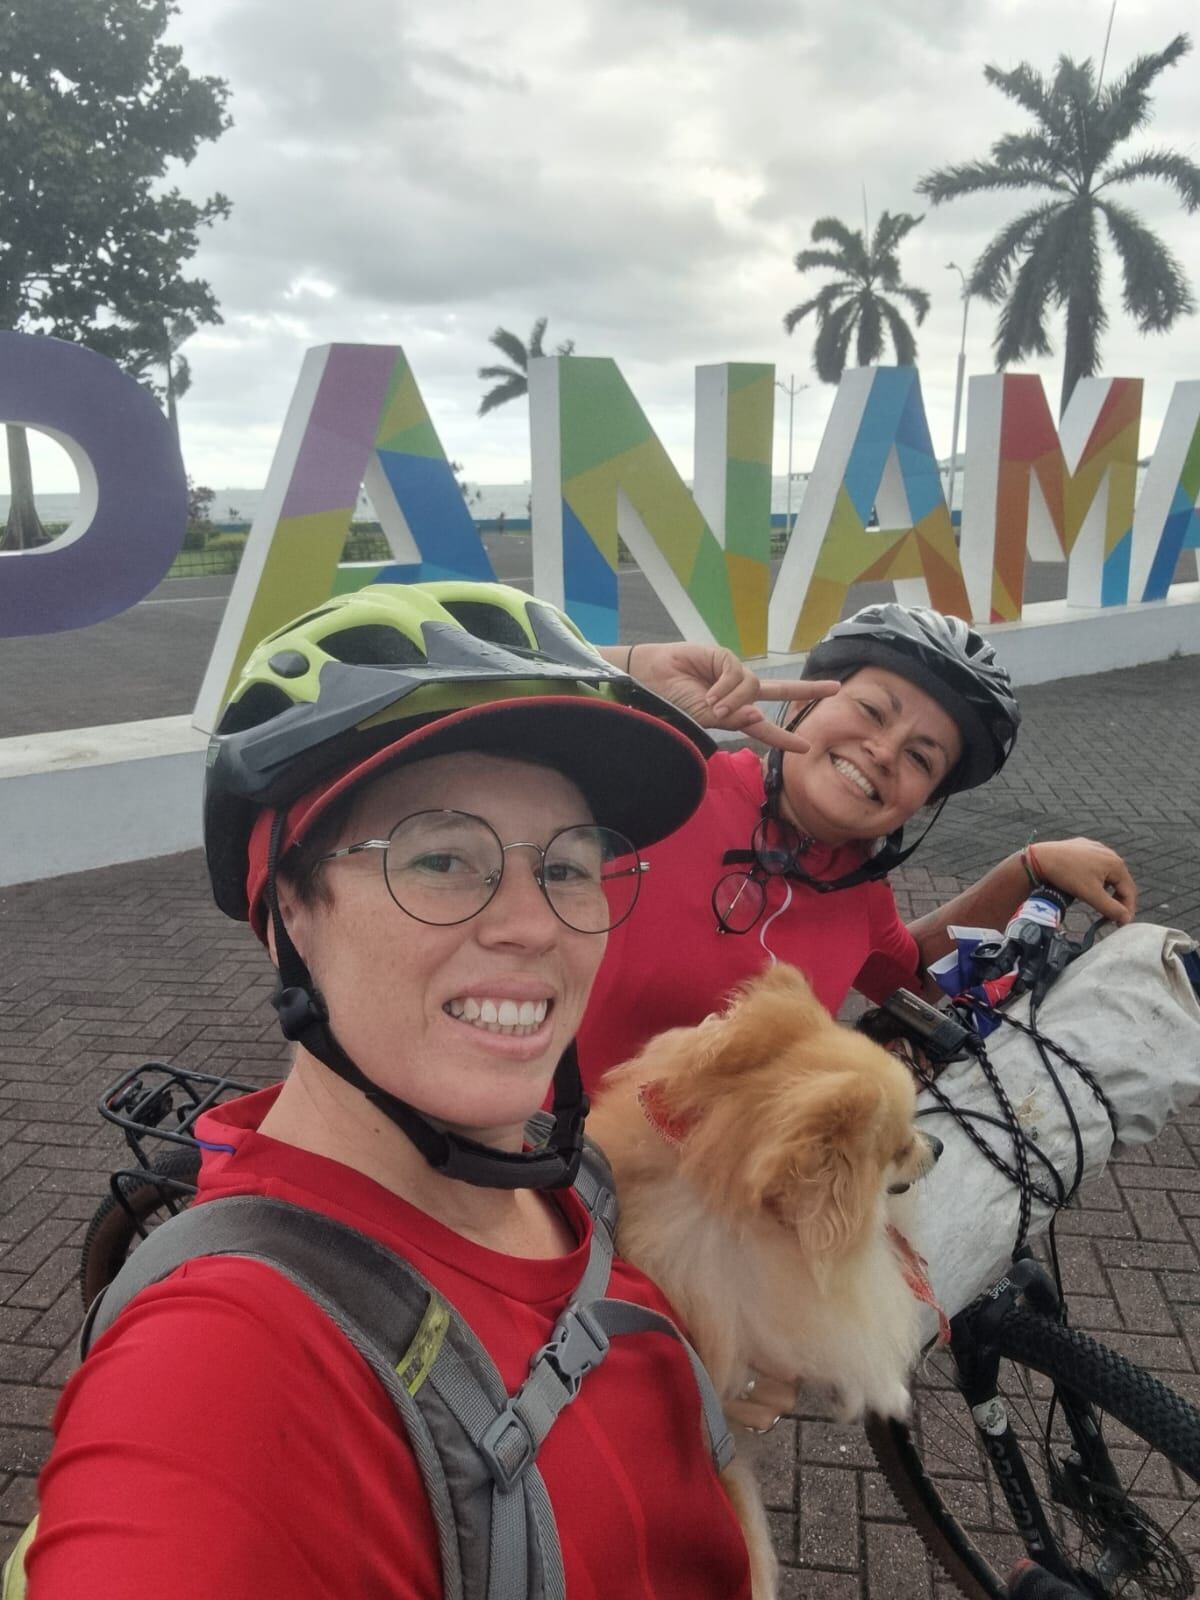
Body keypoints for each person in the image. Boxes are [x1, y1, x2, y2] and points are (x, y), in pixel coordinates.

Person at [24, 582, 767, 1600]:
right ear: (289, 901)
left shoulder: (567, 1186)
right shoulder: (228, 1358)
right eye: (443, 857)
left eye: (568, 865)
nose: (533, 923)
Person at [580, 604, 1137, 1083]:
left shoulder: (859, 892)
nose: (885, 752)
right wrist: (615, 666)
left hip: (708, 1199)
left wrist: (1030, 867)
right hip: (536, 1182)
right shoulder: (660, 784)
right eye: (872, 711)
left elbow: (912, 974)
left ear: (924, 801)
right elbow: (492, 687)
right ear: (807, 700)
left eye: (922, 757)